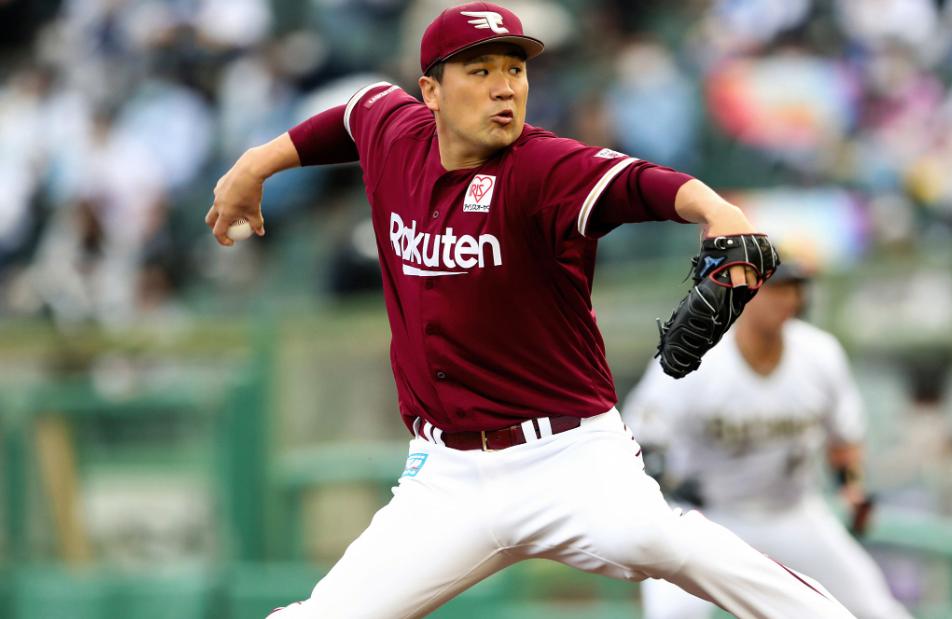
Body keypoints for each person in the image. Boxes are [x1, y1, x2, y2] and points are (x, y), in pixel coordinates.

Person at [207, 4, 854, 618]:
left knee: (675, 546)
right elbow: (352, 113)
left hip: (570, 457)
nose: (504, 87)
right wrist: (257, 162)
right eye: (480, 70)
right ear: (431, 91)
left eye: (515, 69)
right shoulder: (393, 134)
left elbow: (639, 183)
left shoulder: (542, 167)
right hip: (447, 475)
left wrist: (719, 212)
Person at [624, 254, 911, 619]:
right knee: (671, 615)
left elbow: (844, 440)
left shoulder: (819, 353)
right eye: (775, 289)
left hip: (792, 513)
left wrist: (852, 490)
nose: (788, 299)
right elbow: (640, 440)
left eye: (795, 289)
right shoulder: (699, 356)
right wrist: (667, 480)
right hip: (710, 516)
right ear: (744, 296)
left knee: (875, 609)